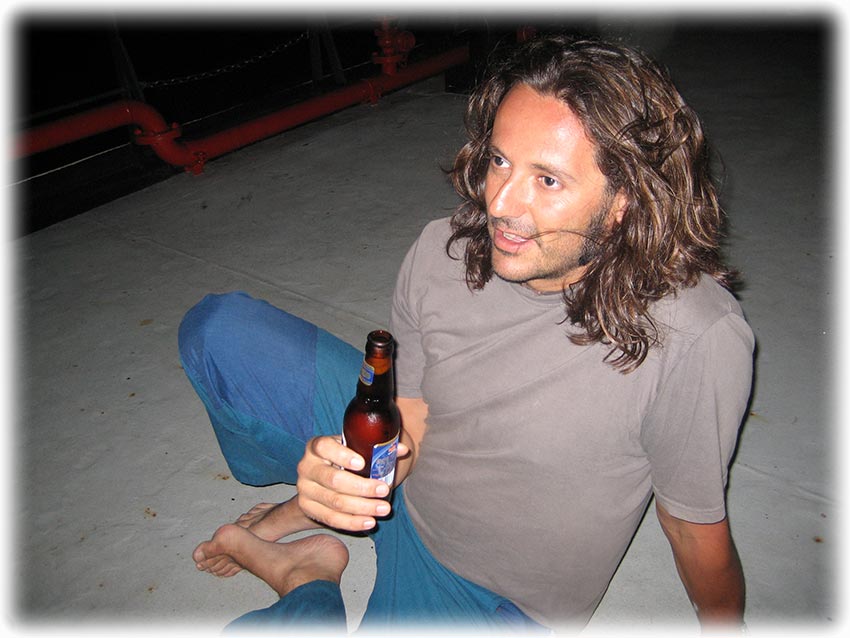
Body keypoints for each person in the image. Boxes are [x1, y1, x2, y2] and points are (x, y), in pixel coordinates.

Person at [179, 34, 754, 634]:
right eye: (501, 160)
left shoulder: (694, 336)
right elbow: (414, 417)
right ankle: (313, 536)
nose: (500, 202)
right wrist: (338, 488)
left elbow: (693, 529)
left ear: (624, 203)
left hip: (483, 591)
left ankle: (307, 584)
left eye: (548, 180)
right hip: (413, 487)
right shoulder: (442, 251)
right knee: (220, 332)